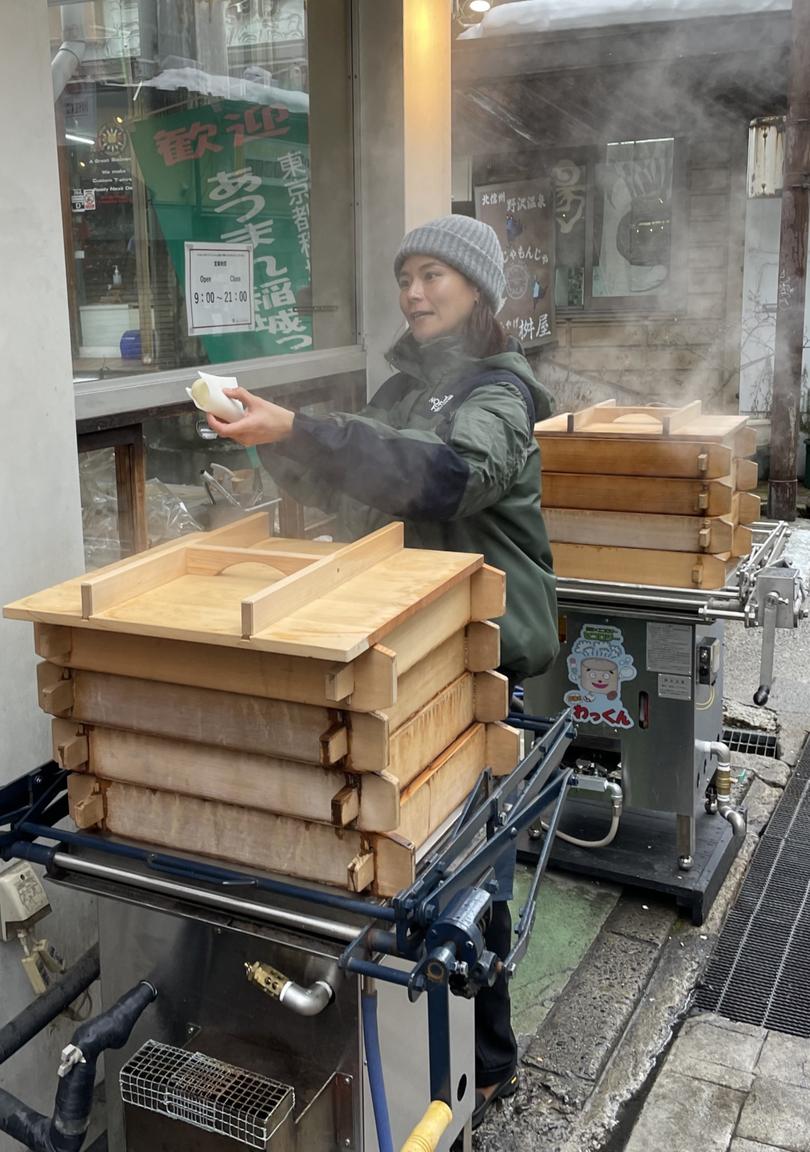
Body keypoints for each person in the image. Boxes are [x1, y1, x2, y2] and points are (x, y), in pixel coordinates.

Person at [206, 213, 560, 1130]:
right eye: (405, 276)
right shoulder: (405, 389)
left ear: (478, 291)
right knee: (404, 859)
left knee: (472, 872)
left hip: (477, 659)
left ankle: (488, 1065)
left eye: (435, 275)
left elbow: (446, 479)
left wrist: (308, 426)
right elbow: (351, 480)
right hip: (401, 651)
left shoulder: (499, 392)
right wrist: (274, 441)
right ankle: (399, 1056)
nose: (413, 292)